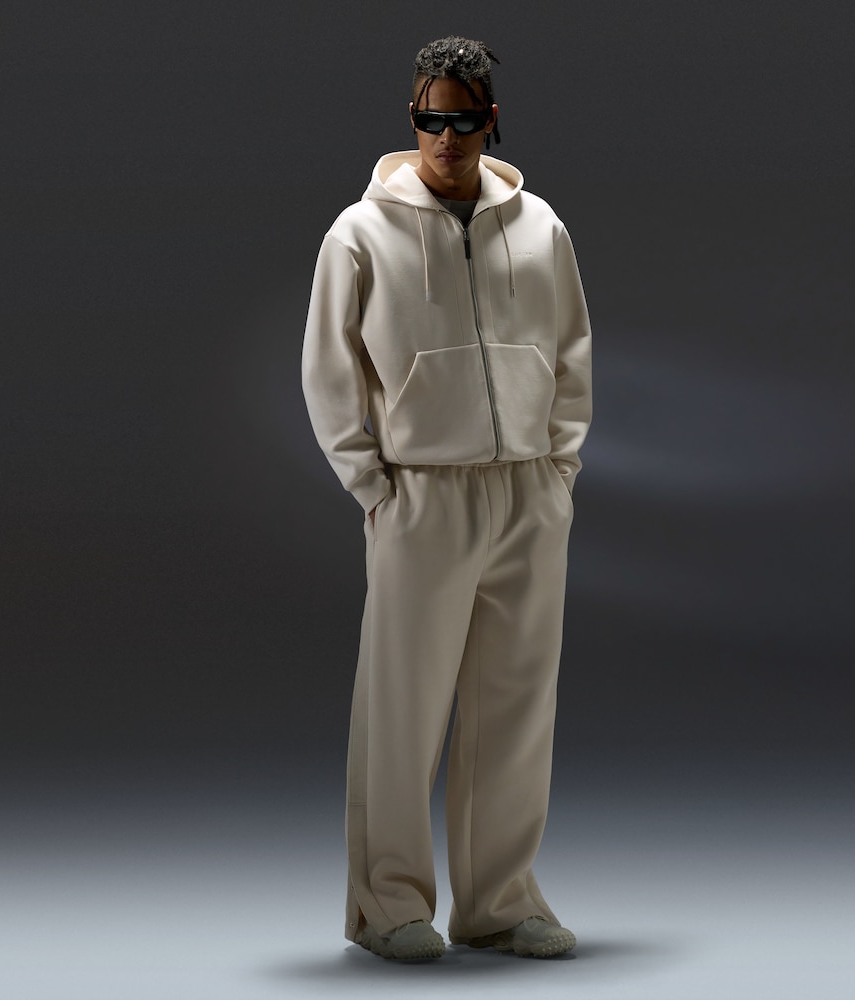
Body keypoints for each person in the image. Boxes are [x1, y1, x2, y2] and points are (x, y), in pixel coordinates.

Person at [302, 35, 591, 961]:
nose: (448, 137)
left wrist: (558, 468)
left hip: (528, 494)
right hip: (421, 495)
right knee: (403, 709)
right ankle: (387, 907)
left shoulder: (541, 227)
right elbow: (329, 371)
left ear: (491, 120)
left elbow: (572, 352)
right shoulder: (360, 232)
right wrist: (372, 484)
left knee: (515, 708)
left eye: (465, 120)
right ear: (412, 117)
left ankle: (499, 903)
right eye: (432, 119)